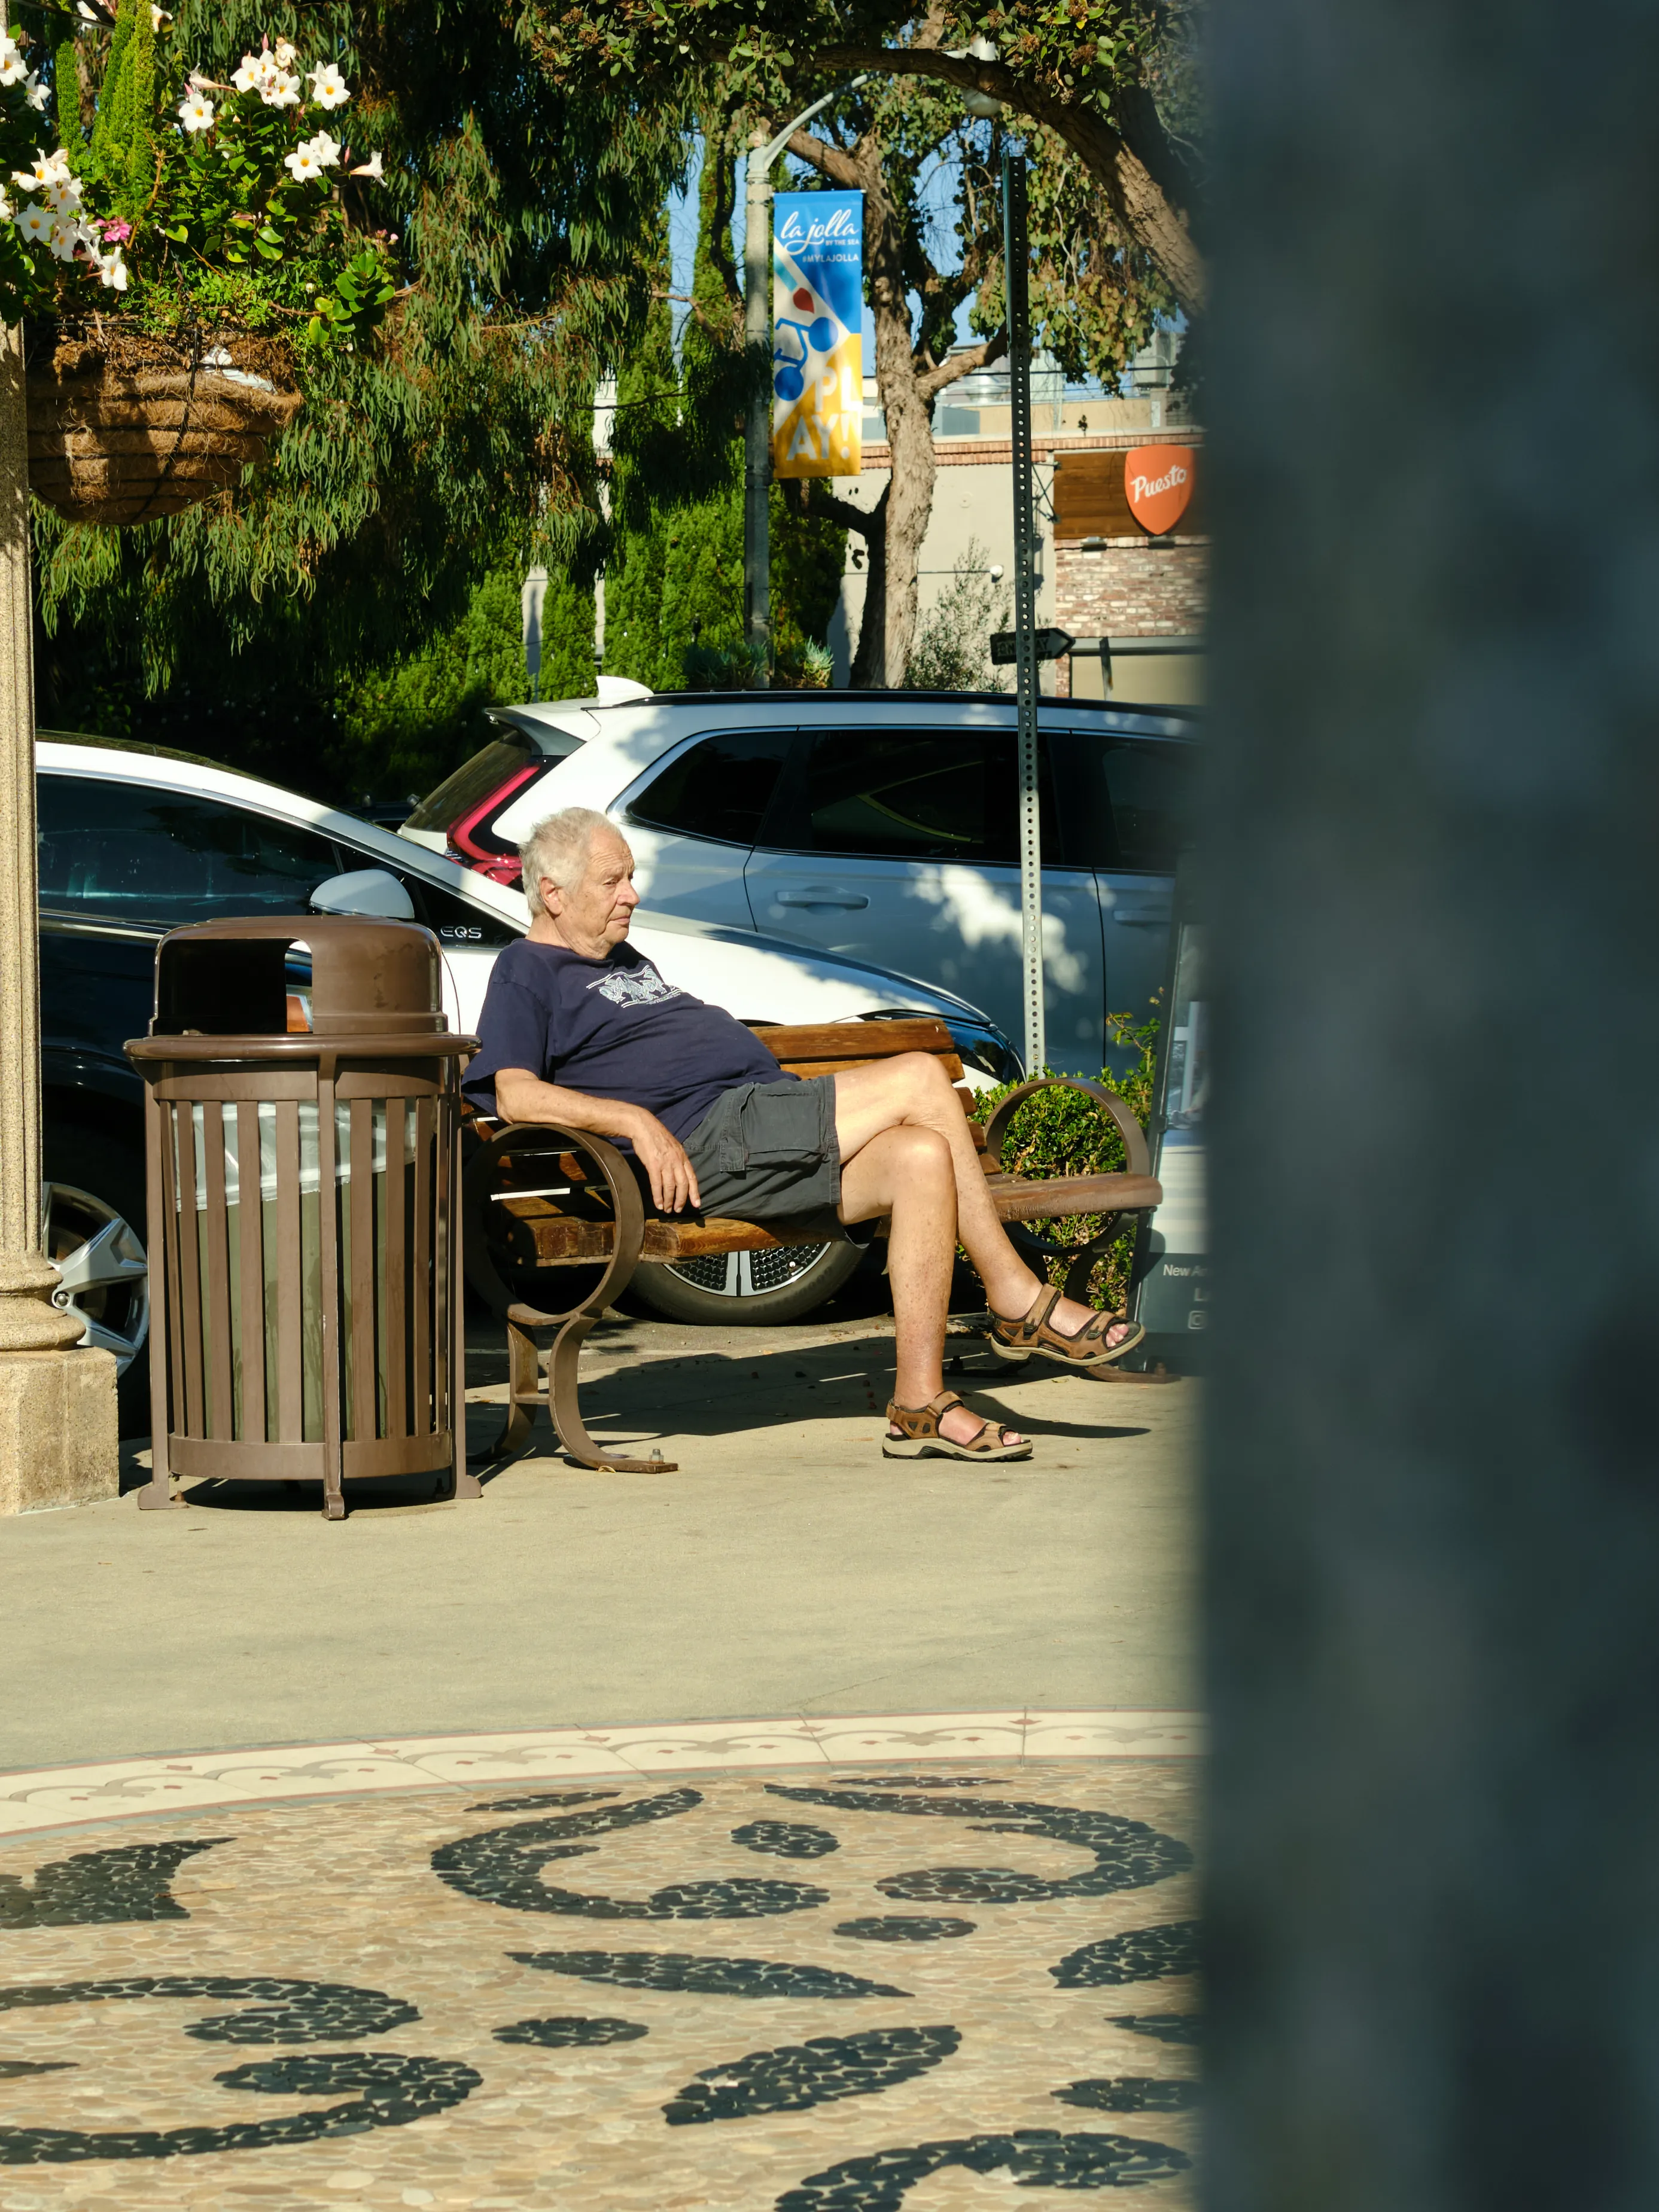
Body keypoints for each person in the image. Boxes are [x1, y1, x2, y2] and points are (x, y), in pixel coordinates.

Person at [462, 806, 1143, 1461]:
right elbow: (515, 1092)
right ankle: (1016, 1297)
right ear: (551, 893)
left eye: (631, 876)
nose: (632, 895)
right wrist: (632, 1120)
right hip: (711, 1134)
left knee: (920, 1156)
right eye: (612, 881)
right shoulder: (527, 970)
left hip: (757, 1122)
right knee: (919, 1080)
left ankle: (920, 1404)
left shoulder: (620, 960)